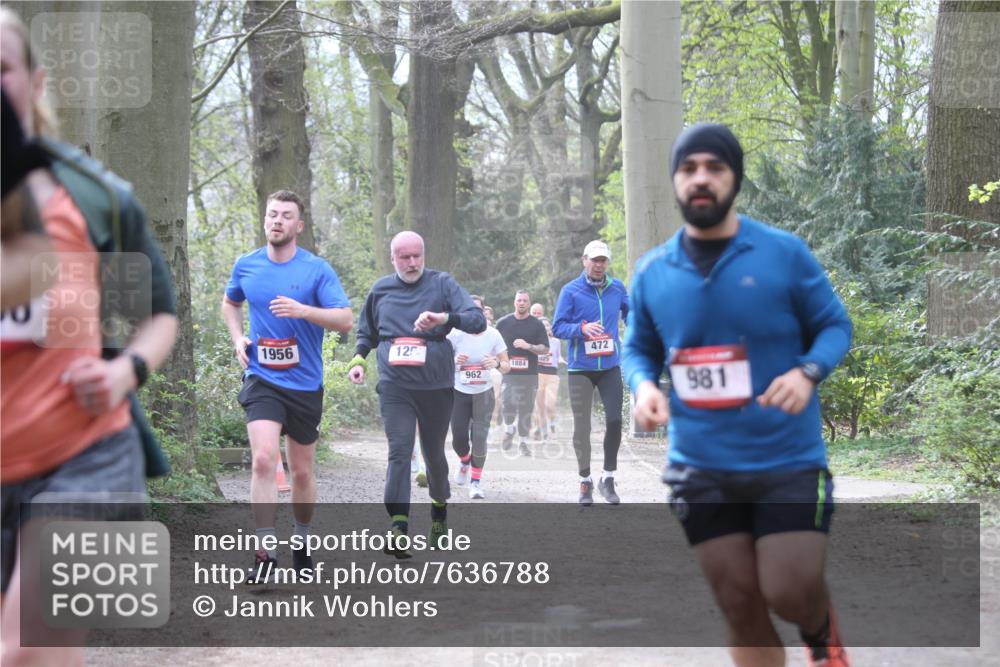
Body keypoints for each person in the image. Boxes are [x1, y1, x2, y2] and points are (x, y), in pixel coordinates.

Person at [622, 123, 853, 667]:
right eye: (689, 168)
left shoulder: (782, 253)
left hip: (786, 459)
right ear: (676, 181)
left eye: (715, 168)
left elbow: (834, 326)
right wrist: (643, 386)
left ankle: (820, 631)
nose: (701, 179)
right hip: (700, 465)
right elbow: (639, 350)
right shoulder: (653, 271)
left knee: (788, 588)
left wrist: (808, 371)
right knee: (739, 604)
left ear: (734, 178)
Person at [1, 8, 178, 661]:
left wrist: (122, 371)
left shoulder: (94, 198)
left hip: (88, 460)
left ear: (35, 81)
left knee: (22, 647)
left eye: (2, 69)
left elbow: (159, 314)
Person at [222, 189, 353, 580]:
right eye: (271, 214)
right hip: (262, 376)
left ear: (299, 225)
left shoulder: (317, 270)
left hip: (305, 384)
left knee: (301, 474)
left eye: (285, 216)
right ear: (265, 220)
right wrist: (237, 339)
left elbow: (345, 319)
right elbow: (231, 303)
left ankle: (301, 541)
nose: (276, 221)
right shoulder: (246, 265)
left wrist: (303, 311)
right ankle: (264, 554)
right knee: (263, 459)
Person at [348, 231, 485, 554]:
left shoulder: (442, 284)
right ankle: (399, 525)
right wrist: (358, 360)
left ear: (424, 255)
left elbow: (477, 320)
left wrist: (444, 318)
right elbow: (366, 333)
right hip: (395, 385)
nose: (411, 263)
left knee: (434, 455)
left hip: (435, 385)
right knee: (399, 451)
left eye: (417, 257)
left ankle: (439, 511)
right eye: (404, 257)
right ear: (392, 257)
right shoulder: (380, 290)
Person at [552, 240, 629, 505]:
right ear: (584, 260)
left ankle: (608, 477)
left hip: (609, 366)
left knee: (615, 421)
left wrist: (636, 326)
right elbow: (558, 327)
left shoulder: (617, 287)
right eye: (594, 260)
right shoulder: (570, 291)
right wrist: (581, 329)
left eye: (603, 260)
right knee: (582, 427)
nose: (598, 265)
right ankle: (585, 481)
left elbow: (629, 312)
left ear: (607, 262)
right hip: (580, 368)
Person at [448, 295, 509, 499]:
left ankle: (475, 482)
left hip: (483, 393)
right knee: (458, 439)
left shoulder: (493, 334)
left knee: (480, 438)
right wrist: (454, 360)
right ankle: (464, 459)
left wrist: (497, 364)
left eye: (477, 310)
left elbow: (507, 366)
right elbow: (439, 363)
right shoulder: (454, 334)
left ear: (483, 312)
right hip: (459, 392)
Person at [495, 290, 549, 457]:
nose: (522, 303)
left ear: (529, 303)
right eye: (519, 300)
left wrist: (528, 346)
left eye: (525, 300)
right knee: (508, 403)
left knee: (526, 408)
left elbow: (545, 349)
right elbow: (494, 343)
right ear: (514, 302)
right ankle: (510, 429)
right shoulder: (503, 323)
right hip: (509, 371)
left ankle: (523, 442)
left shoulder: (537, 324)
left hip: (530, 373)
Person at [531, 317, 561, 440]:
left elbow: (558, 357)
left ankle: (552, 422)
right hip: (538, 375)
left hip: (552, 375)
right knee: (540, 407)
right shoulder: (535, 343)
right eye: (542, 326)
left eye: (547, 325)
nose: (545, 328)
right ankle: (544, 432)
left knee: (550, 404)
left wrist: (562, 360)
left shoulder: (556, 342)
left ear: (550, 328)